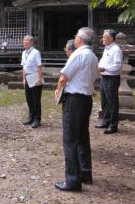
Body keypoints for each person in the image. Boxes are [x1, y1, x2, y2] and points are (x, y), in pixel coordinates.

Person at [55, 28, 98, 192]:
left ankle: (73, 180)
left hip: (74, 100)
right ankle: (86, 173)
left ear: (80, 39)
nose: (75, 38)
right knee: (82, 138)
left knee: (70, 140)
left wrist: (58, 90)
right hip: (86, 99)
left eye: (76, 36)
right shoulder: (93, 56)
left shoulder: (78, 54)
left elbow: (63, 77)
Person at [96, 29, 123, 134]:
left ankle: (113, 125)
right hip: (104, 77)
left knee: (112, 102)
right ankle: (106, 121)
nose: (102, 39)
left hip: (112, 78)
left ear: (111, 38)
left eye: (104, 37)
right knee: (104, 101)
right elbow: (104, 61)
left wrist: (104, 69)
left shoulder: (116, 49)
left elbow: (117, 66)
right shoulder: (107, 49)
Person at [21, 35, 43, 129]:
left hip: (35, 76)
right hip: (27, 76)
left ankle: (37, 119)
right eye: (24, 40)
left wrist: (39, 79)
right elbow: (24, 67)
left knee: (36, 99)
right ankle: (31, 117)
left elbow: (39, 67)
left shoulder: (36, 52)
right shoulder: (24, 53)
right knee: (29, 98)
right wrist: (23, 78)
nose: (24, 42)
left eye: (26, 40)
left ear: (31, 42)